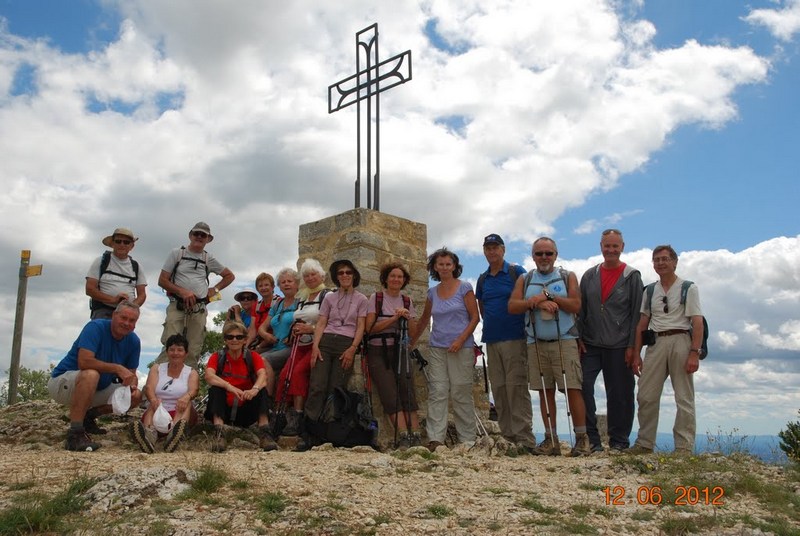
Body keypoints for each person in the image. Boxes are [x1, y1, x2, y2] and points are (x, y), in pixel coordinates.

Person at [508, 237, 591, 457]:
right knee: (545, 392)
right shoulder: (525, 279)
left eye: (548, 253)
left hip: (564, 339)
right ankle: (550, 438)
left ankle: (582, 439)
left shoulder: (566, 276)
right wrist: (535, 302)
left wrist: (550, 296)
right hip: (535, 341)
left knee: (572, 388)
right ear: (533, 256)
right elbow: (513, 306)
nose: (544, 257)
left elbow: (576, 305)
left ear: (556, 255)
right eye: (539, 253)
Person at [627, 245, 703, 455]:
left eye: (664, 259)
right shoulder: (650, 290)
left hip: (681, 339)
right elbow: (642, 324)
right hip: (656, 341)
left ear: (674, 262)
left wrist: (694, 353)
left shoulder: (688, 288)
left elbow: (697, 322)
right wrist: (636, 354)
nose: (660, 263)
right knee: (646, 395)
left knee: (684, 397)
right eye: (656, 260)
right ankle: (644, 443)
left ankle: (683, 447)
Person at [577, 229, 643, 453]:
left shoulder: (632, 276)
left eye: (615, 246)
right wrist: (578, 337)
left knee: (620, 393)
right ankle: (591, 439)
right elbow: (580, 310)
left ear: (623, 247)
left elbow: (636, 315)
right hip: (591, 342)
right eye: (607, 246)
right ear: (601, 246)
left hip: (620, 344)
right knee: (582, 385)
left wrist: (632, 347)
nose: (611, 250)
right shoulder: (589, 275)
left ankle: (619, 441)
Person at [48, 300, 143, 451]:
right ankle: (75, 433)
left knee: (136, 395)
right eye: (123, 318)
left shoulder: (134, 341)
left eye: (132, 320)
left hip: (97, 387)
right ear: (114, 315)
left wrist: (131, 383)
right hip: (64, 383)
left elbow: (131, 373)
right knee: (91, 374)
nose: (126, 323)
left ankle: (89, 416)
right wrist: (117, 368)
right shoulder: (95, 327)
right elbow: (84, 362)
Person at [413, 247, 480, 452]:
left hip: (462, 347)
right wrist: (411, 340)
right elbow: (425, 319)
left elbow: (475, 317)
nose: (444, 267)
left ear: (454, 266)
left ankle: (467, 439)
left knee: (461, 391)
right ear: (434, 267)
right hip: (438, 347)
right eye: (440, 264)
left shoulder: (465, 287)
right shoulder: (432, 293)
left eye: (448, 264)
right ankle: (435, 439)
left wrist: (460, 340)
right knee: (438, 392)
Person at [475, 234, 536, 452]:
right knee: (499, 389)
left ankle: (525, 439)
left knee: (517, 388)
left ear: (503, 250)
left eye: (495, 248)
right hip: (492, 339)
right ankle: (508, 436)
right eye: (488, 248)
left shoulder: (515, 272)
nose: (492, 252)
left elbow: (528, 300)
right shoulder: (483, 279)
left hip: (515, 337)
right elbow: (482, 306)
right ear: (484, 251)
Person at [298, 259, 368, 451]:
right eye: (340, 273)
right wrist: (315, 347)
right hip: (326, 341)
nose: (344, 275)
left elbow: (361, 326)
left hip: (346, 344)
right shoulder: (329, 297)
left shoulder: (362, 299)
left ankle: (328, 430)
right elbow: (321, 323)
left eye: (348, 272)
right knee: (317, 385)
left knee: (336, 387)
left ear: (354, 275)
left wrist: (353, 348)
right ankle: (308, 431)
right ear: (336, 277)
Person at [156, 222, 234, 367]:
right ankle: (156, 386)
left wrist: (214, 290)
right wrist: (182, 291)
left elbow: (229, 276)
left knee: (193, 349)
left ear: (208, 239)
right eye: (196, 234)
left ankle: (189, 387)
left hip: (199, 308)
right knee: (170, 345)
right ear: (190, 235)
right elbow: (162, 280)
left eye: (203, 235)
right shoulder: (177, 254)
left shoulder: (208, 259)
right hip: (177, 305)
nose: (199, 237)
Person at [366, 262, 420, 449]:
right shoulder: (377, 298)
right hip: (378, 350)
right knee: (389, 393)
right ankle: (403, 435)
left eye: (400, 277)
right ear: (386, 279)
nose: (396, 279)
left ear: (404, 280)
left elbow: (413, 332)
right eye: (393, 276)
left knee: (407, 390)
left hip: (400, 349)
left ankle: (416, 436)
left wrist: (407, 317)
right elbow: (369, 329)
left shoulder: (407, 301)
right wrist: (394, 319)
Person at [204, 321, 277, 452]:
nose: (234, 340)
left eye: (239, 337)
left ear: (245, 340)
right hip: (224, 409)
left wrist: (254, 389)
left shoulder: (252, 356)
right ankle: (219, 433)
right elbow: (209, 376)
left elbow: (263, 376)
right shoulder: (217, 357)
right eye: (230, 337)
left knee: (261, 391)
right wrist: (229, 386)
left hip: (245, 409)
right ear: (225, 340)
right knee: (215, 389)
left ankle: (265, 433)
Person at [279, 259, 330, 438]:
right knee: (285, 374)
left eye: (313, 274)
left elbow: (332, 323)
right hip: (298, 345)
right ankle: (282, 416)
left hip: (316, 345)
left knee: (299, 373)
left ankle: (298, 418)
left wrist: (311, 329)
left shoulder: (327, 296)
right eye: (306, 275)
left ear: (321, 275)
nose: (310, 278)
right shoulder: (302, 297)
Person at [132, 333, 199, 453]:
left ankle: (174, 434)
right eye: (172, 350)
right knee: (154, 402)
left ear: (186, 353)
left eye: (180, 350)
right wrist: (153, 400)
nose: (175, 353)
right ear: (167, 352)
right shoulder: (157, 368)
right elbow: (149, 388)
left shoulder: (191, 372)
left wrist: (186, 397)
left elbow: (194, 390)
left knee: (186, 403)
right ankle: (149, 435)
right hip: (159, 410)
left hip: (180, 411)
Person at [85, 227, 147, 319]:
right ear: (113, 243)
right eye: (118, 241)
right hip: (103, 311)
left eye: (126, 242)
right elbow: (89, 289)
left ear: (131, 246)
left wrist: (129, 307)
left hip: (125, 315)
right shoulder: (100, 261)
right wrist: (113, 300)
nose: (122, 244)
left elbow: (142, 294)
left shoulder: (137, 266)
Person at [257, 268, 300, 390]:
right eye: (283, 282)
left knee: (263, 360)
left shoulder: (301, 302)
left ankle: (267, 400)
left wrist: (292, 334)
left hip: (291, 347)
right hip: (276, 347)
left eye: (289, 281)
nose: (286, 284)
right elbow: (262, 328)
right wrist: (266, 335)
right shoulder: (278, 305)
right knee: (251, 358)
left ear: (296, 284)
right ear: (279, 287)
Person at [247, 273, 280, 352]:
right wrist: (245, 346)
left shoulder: (279, 302)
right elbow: (252, 330)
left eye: (266, 285)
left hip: (274, 340)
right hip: (259, 341)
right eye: (260, 286)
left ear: (272, 287)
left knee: (252, 357)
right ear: (257, 289)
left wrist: (259, 346)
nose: (263, 288)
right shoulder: (256, 306)